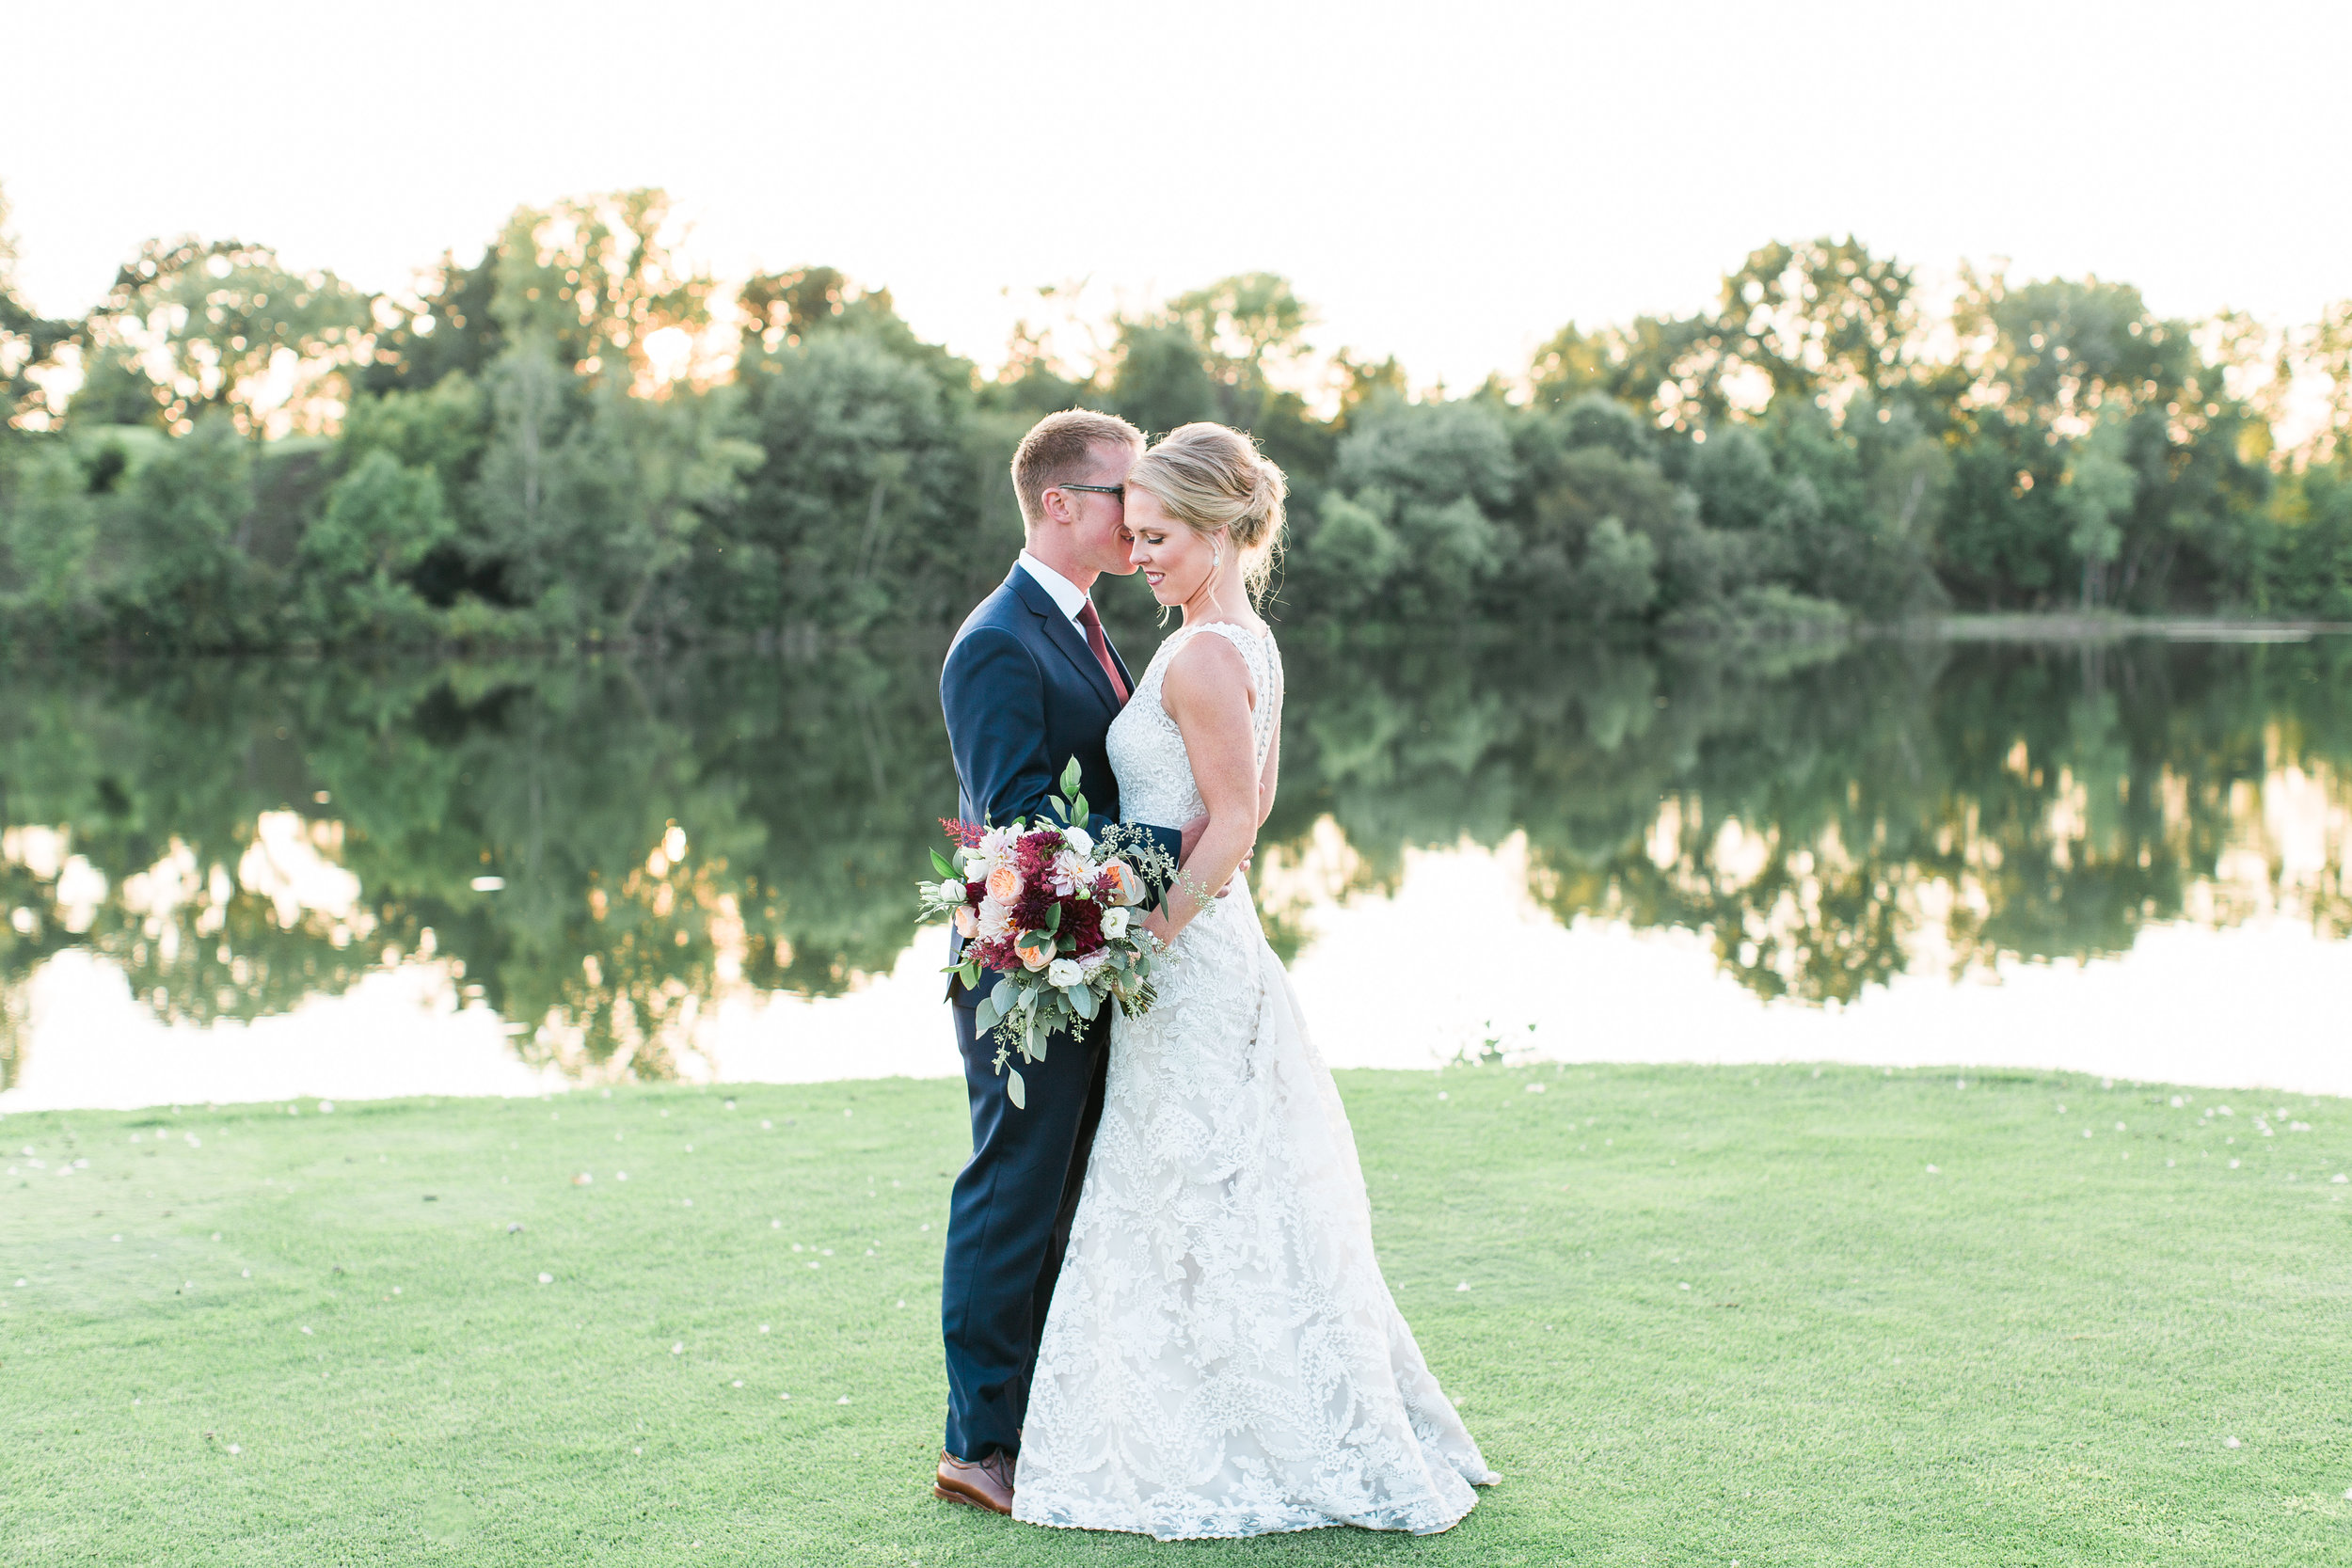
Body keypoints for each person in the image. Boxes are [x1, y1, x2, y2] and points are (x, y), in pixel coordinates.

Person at [1009, 423, 1496, 1538]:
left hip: (1186, 958)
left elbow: (1233, 821)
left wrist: (1143, 938)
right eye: (1130, 535)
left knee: (1194, 1183)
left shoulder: (1208, 653)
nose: (1139, 557)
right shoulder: (1238, 640)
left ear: (1223, 529)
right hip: (1198, 949)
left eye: (1159, 536)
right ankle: (1214, 1410)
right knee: (1213, 1184)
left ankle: (1240, 1433)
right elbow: (1245, 811)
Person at [932, 409, 1202, 1514]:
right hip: (1023, 969)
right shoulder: (998, 639)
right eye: (1119, 496)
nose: (1138, 518)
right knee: (1014, 1189)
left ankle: (1045, 1414)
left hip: (1083, 956)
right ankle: (978, 1439)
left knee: (1068, 1190)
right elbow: (1027, 831)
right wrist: (1183, 847)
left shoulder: (1088, 624)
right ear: (1058, 503)